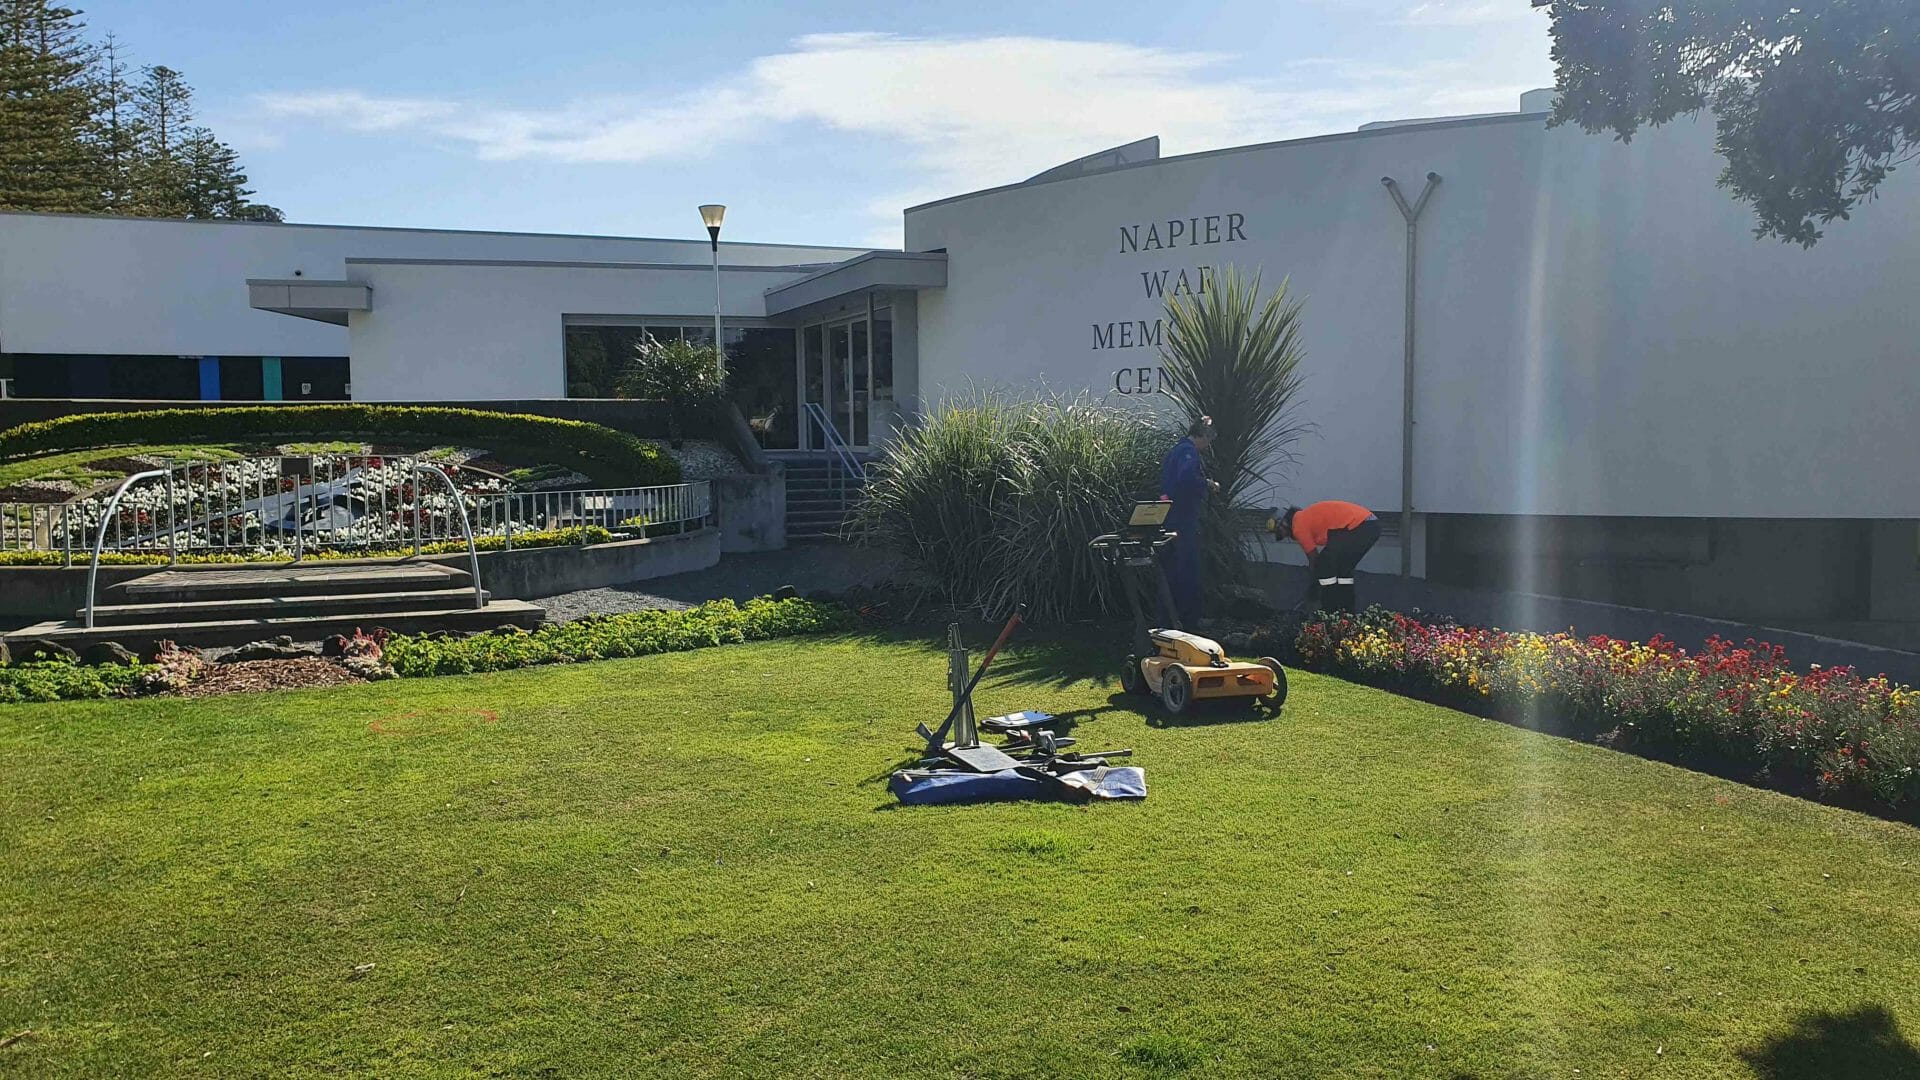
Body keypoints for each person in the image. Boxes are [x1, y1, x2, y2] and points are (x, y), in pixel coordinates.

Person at [1158, 416, 1219, 628]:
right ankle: (1188, 619)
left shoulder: (1176, 450)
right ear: (1200, 436)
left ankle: (1168, 617)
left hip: (1170, 515)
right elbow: (1186, 480)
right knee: (1186, 567)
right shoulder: (1188, 452)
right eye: (1207, 441)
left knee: (1171, 568)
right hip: (1182, 517)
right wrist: (1207, 483)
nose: (1207, 446)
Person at [1278, 500, 1381, 614]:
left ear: (1285, 523)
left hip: (1359, 526)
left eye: (1283, 533)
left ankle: (1330, 609)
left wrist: (1314, 586)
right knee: (1343, 569)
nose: (1286, 536)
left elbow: (1314, 558)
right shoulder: (1305, 517)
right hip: (1370, 525)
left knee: (1324, 564)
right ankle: (1346, 611)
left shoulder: (1298, 525)